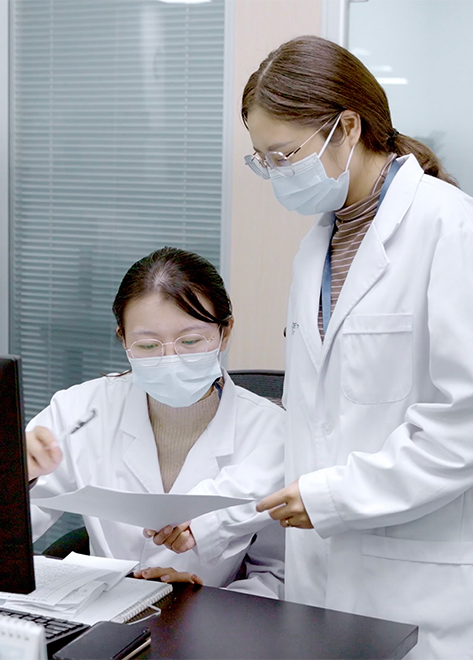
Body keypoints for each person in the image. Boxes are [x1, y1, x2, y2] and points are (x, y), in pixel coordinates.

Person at [151, 36, 473, 658]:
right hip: (345, 589)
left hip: (444, 594)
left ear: (347, 128)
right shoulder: (317, 250)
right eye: (261, 160)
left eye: (284, 154)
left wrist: (335, 496)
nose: (275, 174)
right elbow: (315, 430)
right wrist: (213, 513)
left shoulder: (454, 229)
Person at [25, 247, 285, 598]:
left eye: (190, 341)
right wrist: (16, 473)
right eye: (147, 346)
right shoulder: (82, 410)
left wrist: (202, 598)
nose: (169, 359)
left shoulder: (272, 432)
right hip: (103, 619)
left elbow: (279, 575)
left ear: (225, 333)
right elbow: (3, 530)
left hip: (211, 633)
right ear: (123, 340)